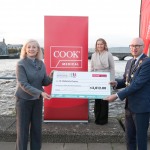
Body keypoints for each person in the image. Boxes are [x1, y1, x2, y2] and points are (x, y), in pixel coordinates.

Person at [105, 37, 150, 150]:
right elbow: (126, 80)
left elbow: (137, 85)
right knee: (129, 137)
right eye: (132, 46)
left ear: (143, 47)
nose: (134, 48)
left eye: (137, 46)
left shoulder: (147, 63)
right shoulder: (130, 61)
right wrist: (116, 83)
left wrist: (117, 95)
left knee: (141, 138)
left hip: (141, 108)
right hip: (129, 106)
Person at [15, 39, 53, 150]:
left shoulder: (41, 63)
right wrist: (41, 93)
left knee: (37, 129)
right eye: (29, 47)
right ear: (25, 49)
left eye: (34, 47)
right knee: (22, 131)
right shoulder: (20, 64)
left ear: (38, 50)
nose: (31, 49)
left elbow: (44, 81)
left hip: (37, 100)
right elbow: (23, 84)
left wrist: (52, 77)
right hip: (23, 101)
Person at [91, 38, 115, 125]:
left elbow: (112, 68)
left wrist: (112, 80)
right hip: (96, 78)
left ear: (104, 45)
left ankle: (103, 120)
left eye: (101, 44)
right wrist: (91, 79)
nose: (99, 46)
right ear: (96, 46)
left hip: (106, 78)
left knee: (104, 100)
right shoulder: (93, 55)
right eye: (98, 44)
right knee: (97, 99)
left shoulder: (109, 54)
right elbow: (92, 68)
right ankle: (97, 118)